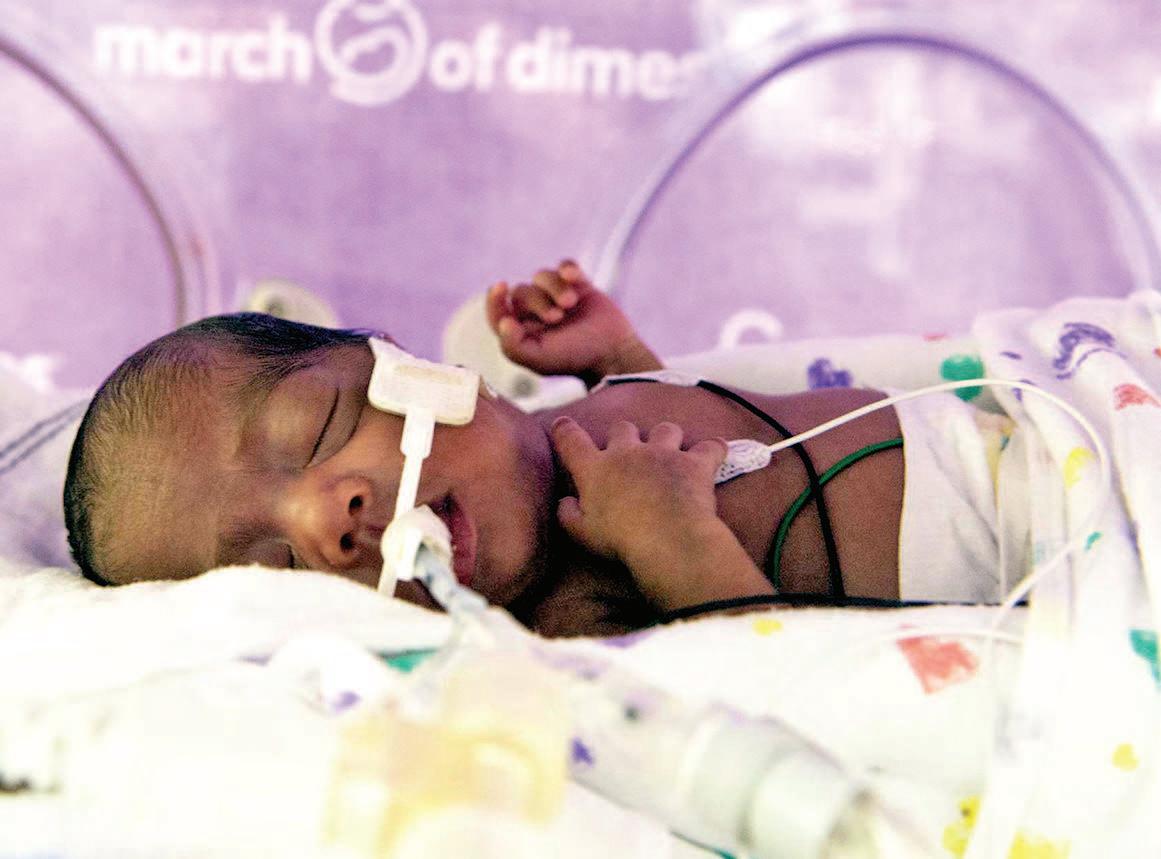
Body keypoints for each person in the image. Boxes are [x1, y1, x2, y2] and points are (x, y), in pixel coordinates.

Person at [64, 261, 952, 637]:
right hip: (1010, 539)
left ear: (403, 363)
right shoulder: (567, 619)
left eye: (316, 427)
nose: (325, 519)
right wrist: (675, 542)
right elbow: (782, 677)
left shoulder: (574, 421)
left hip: (997, 417)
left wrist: (621, 362)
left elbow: (696, 425)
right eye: (279, 564)